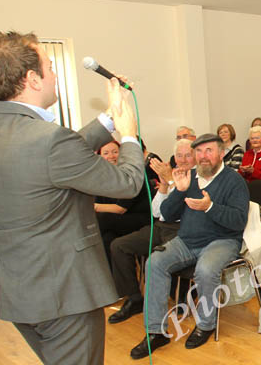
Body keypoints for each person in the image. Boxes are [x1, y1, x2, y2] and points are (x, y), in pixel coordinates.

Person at [0, 31, 144, 365]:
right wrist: (129, 134)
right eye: (50, 67)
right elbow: (129, 182)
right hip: (64, 292)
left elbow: (53, 157)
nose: (55, 74)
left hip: (20, 291)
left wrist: (109, 115)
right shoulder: (48, 141)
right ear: (32, 79)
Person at [131, 134, 250, 357]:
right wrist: (181, 190)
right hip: (187, 240)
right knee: (155, 262)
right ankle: (156, 332)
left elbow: (238, 221)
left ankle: (206, 325)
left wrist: (210, 207)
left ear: (221, 154)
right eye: (200, 152)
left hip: (222, 241)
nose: (203, 157)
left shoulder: (234, 181)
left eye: (209, 151)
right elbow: (166, 214)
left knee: (205, 270)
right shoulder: (190, 177)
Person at [107, 138, 196, 325]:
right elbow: (157, 212)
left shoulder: (200, 177)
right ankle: (134, 298)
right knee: (119, 246)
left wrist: (171, 181)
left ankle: (180, 297)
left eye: (188, 155)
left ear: (196, 156)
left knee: (158, 257)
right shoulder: (172, 174)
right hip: (162, 226)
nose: (183, 159)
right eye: (179, 155)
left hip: (185, 229)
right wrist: (164, 185)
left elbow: (187, 207)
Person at [94, 140, 152, 266]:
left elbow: (120, 209)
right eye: (106, 153)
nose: (111, 156)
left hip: (139, 219)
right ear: (100, 157)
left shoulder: (131, 174)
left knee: (102, 218)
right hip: (116, 223)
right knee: (107, 240)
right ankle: (112, 282)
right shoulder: (101, 177)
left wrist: (94, 207)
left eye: (115, 152)